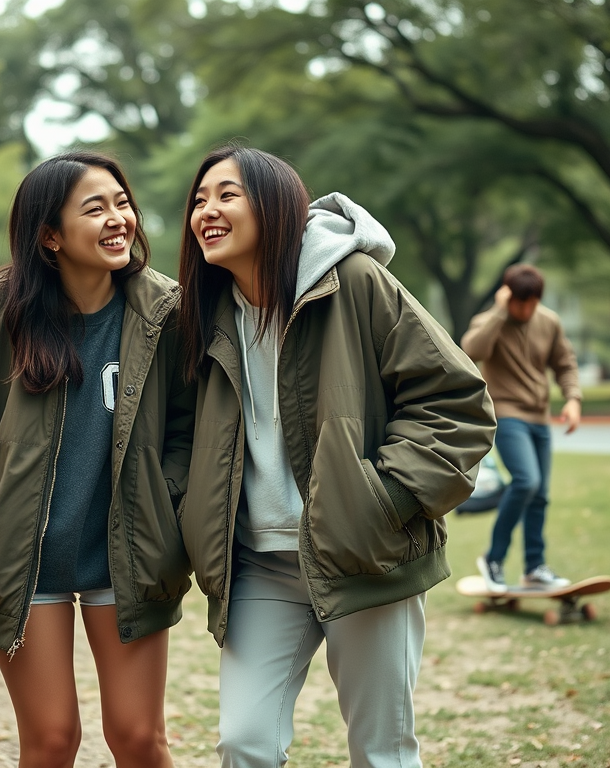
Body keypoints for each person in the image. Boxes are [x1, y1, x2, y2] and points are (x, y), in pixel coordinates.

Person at [175, 145, 495, 768]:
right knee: (245, 742)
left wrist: (386, 501)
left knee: (381, 751)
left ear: (274, 207)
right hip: (259, 567)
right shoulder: (203, 313)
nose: (206, 211)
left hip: (364, 556)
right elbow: (184, 433)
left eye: (226, 195)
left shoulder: (353, 282)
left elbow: (455, 399)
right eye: (198, 200)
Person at [0, 152, 194, 768]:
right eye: (95, 208)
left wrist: (167, 501)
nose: (118, 219)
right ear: (49, 235)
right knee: (50, 741)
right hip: (24, 561)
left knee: (138, 739)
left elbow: (191, 427)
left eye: (122, 203)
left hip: (126, 559)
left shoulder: (165, 314)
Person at [461, 265, 582, 593]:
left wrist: (572, 398)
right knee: (527, 481)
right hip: (507, 413)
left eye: (532, 304)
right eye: (519, 303)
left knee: (540, 494)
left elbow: (565, 363)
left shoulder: (549, 322)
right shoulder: (492, 321)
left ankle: (534, 567)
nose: (525, 311)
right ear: (508, 296)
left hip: (540, 417)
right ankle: (493, 559)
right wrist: (500, 311)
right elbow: (471, 350)